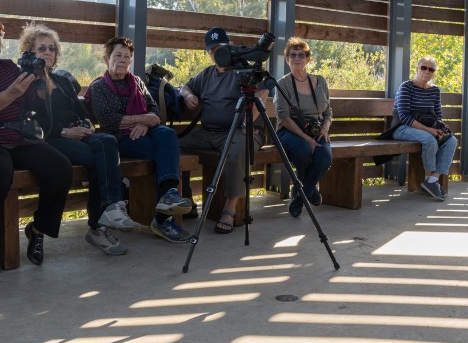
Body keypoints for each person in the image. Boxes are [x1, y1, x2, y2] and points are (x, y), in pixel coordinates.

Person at [0, 15, 73, 274]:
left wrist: (42, 75)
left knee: (60, 166)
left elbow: (37, 100)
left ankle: (38, 229)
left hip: (16, 137)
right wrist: (10, 94)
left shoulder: (9, 67)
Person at [20, 23, 139, 257]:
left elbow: (80, 110)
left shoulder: (63, 81)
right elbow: (25, 120)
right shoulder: (24, 81)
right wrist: (63, 132)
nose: (47, 53)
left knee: (105, 141)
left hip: (77, 137)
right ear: (30, 52)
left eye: (51, 49)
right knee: (98, 158)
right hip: (48, 142)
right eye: (41, 48)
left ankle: (111, 209)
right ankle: (97, 226)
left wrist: (86, 125)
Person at [86, 36, 192, 243]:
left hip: (143, 133)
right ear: (107, 58)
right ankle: (163, 221)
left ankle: (169, 194)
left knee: (167, 134)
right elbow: (108, 121)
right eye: (118, 55)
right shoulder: (99, 87)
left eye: (127, 56)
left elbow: (154, 111)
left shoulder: (137, 83)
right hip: (119, 140)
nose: (123, 60)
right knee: (164, 152)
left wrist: (143, 124)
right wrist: (144, 119)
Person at [179, 27, 267, 234]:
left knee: (236, 152)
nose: (217, 53)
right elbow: (185, 86)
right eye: (213, 50)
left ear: (230, 47)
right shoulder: (207, 74)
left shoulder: (244, 70)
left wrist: (248, 122)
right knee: (172, 145)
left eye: (221, 48)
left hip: (242, 132)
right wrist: (188, 96)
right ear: (209, 53)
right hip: (208, 133)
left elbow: (263, 90)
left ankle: (230, 207)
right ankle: (186, 200)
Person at [273, 37, 333, 217]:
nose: (297, 58)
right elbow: (283, 117)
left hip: (317, 129)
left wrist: (325, 128)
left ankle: (300, 194)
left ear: (308, 59)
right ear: (287, 59)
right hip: (290, 130)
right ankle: (310, 189)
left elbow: (328, 111)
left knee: (325, 158)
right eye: (293, 55)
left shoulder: (320, 81)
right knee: (303, 151)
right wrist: (307, 139)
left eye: (301, 55)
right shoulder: (283, 84)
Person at [390, 55, 457, 201]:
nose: (427, 71)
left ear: (434, 73)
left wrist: (439, 130)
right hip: (402, 128)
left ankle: (432, 181)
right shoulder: (406, 87)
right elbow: (405, 117)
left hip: (425, 129)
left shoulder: (435, 91)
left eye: (431, 69)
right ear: (417, 68)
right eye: (424, 68)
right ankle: (428, 179)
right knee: (429, 139)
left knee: (451, 141)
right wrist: (429, 131)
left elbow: (438, 116)